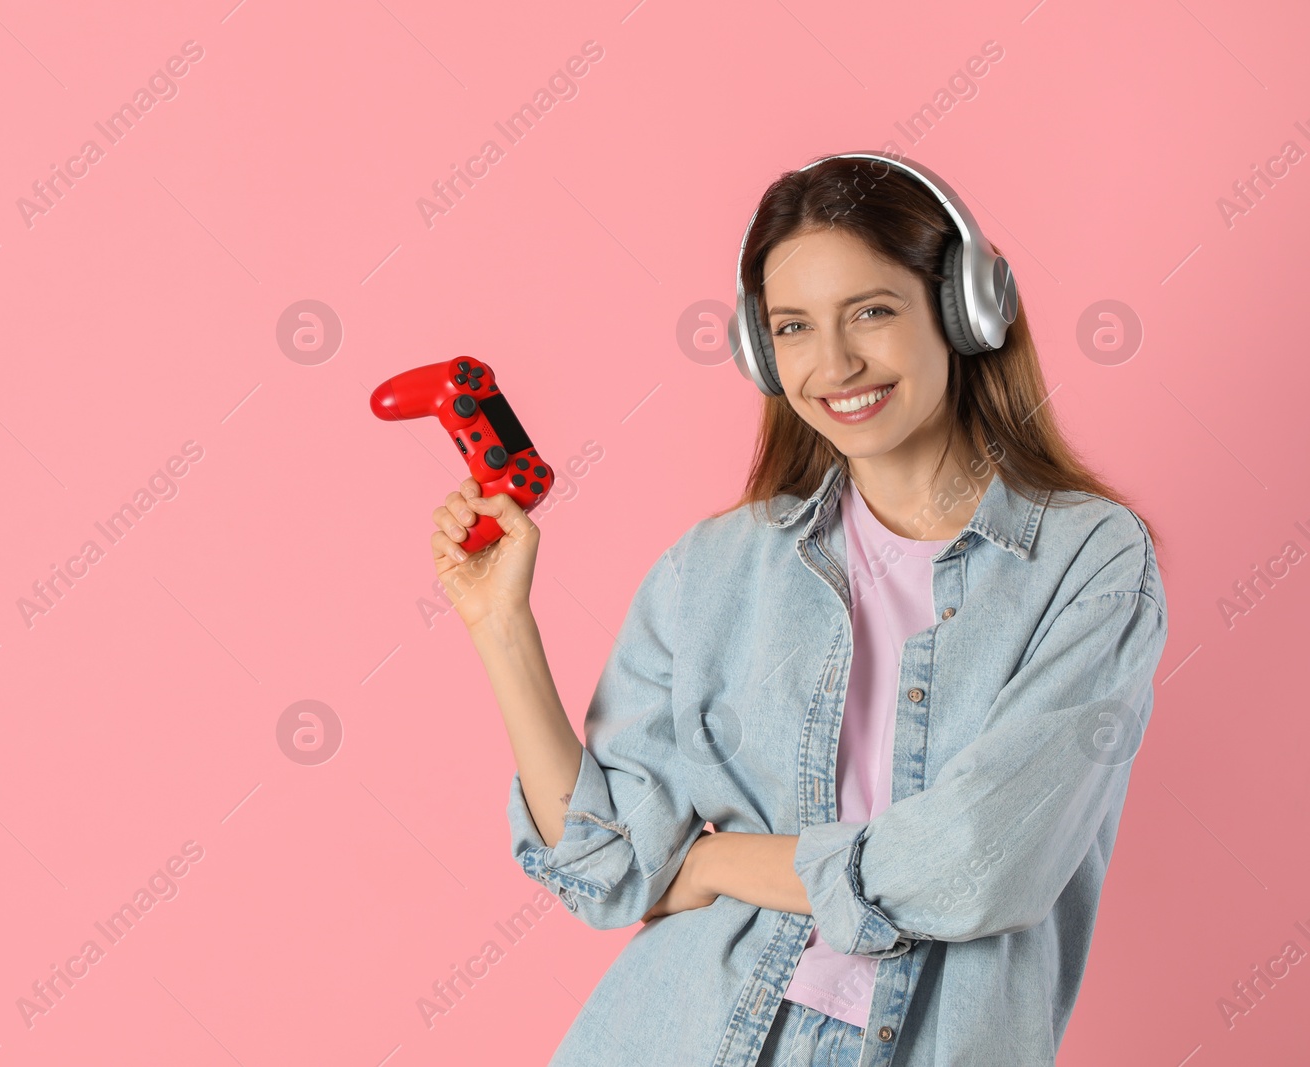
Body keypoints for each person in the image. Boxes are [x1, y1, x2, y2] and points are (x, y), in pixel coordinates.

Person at [428, 154, 1168, 1066]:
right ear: (760, 350)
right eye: (793, 326)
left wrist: (711, 863)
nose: (835, 362)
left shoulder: (1088, 559)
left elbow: (981, 864)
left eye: (872, 310)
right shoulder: (717, 567)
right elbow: (609, 868)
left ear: (966, 308)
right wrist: (501, 624)